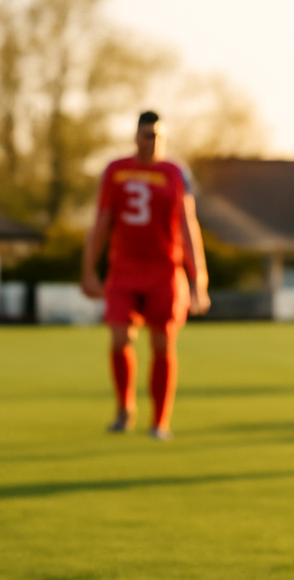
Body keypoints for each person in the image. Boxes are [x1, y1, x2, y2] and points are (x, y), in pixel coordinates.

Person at [81, 110, 211, 440]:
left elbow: (188, 224)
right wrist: (88, 270)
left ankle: (160, 421)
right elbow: (102, 221)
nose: (151, 142)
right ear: (135, 136)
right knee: (120, 338)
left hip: (164, 271)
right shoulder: (117, 170)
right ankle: (125, 409)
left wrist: (199, 281)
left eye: (157, 136)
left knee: (162, 342)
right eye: (146, 135)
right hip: (124, 268)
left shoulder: (176, 172)